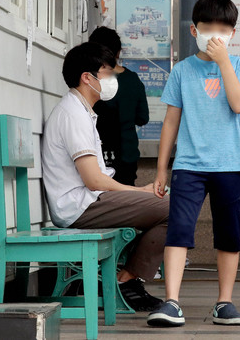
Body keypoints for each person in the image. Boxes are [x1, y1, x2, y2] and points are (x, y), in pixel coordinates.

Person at [146, 0, 240, 327]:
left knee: (228, 234)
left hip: (230, 165)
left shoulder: (239, 66)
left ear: (233, 33)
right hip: (188, 166)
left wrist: (223, 62)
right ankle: (171, 302)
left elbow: (239, 105)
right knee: (178, 231)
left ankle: (224, 302)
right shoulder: (182, 70)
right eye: (208, 28)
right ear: (195, 29)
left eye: (224, 29)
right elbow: (170, 122)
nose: (216, 35)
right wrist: (162, 169)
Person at [41, 42, 167, 311]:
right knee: (176, 209)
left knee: (174, 206)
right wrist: (139, 192)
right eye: (108, 73)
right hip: (80, 208)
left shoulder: (82, 110)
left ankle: (127, 278)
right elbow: (94, 180)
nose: (113, 79)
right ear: (88, 77)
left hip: (91, 201)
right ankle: (127, 280)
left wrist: (140, 192)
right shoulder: (72, 113)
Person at [90, 26, 149, 186]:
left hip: (97, 154)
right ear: (118, 52)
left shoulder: (90, 80)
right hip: (127, 154)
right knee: (127, 200)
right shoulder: (132, 79)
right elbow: (143, 118)